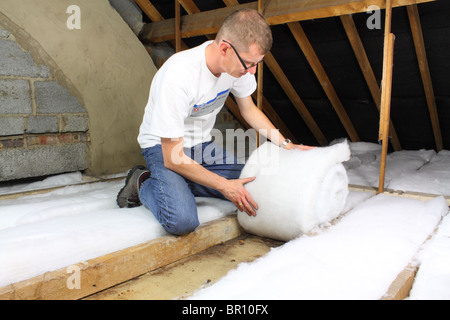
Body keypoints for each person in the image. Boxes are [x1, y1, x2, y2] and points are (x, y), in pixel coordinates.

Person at [117, 9, 314, 235]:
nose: (252, 71)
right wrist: (222, 185)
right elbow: (173, 159)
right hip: (164, 149)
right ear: (224, 48)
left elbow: (249, 110)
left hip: (200, 147)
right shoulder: (179, 75)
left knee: (254, 187)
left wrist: (287, 145)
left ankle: (180, 183)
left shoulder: (238, 68)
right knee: (181, 220)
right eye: (249, 63)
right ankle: (142, 181)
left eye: (257, 63)